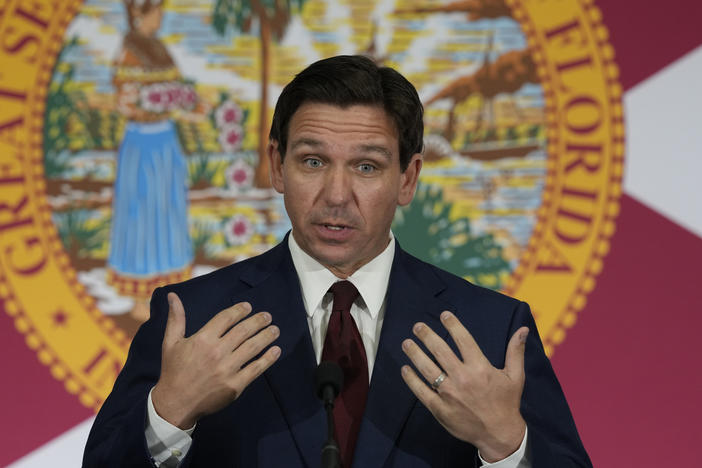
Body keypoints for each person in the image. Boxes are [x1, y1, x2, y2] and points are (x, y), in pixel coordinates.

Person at [84, 55, 591, 467]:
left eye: (366, 166)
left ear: (408, 178)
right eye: (312, 161)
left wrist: (506, 446)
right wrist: (169, 414)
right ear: (276, 166)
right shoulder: (193, 318)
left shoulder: (490, 329)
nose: (336, 194)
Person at [108, 0, 193, 321]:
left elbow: (179, 89)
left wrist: (184, 100)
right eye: (155, 10)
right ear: (139, 14)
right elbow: (125, 100)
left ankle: (168, 288)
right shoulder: (129, 51)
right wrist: (153, 103)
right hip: (142, 143)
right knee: (141, 213)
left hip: (164, 141)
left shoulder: (160, 48)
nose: (161, 16)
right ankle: (140, 297)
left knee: (166, 208)